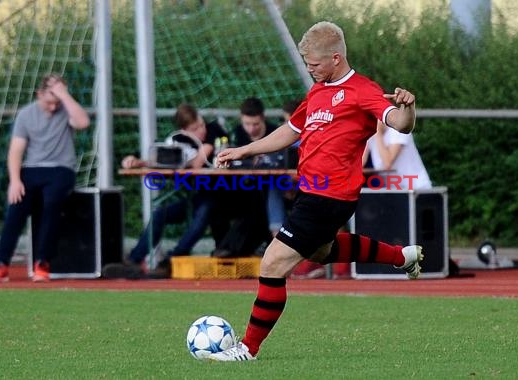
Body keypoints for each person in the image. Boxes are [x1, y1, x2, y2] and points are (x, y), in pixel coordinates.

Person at [208, 21, 422, 361]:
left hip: (332, 196)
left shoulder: (363, 90)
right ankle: (402, 256)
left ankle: (247, 349)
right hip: (311, 192)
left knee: (273, 262)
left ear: (336, 58)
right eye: (306, 64)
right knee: (321, 252)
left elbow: (400, 123)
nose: (310, 70)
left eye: (314, 64)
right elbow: (291, 131)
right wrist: (245, 151)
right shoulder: (317, 91)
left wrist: (408, 107)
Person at [101, 103, 228, 279]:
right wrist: (137, 161)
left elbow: (199, 162)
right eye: (195, 128)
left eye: (201, 124)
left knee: (204, 211)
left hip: (225, 196)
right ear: (184, 131)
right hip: (198, 196)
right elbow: (161, 159)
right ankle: (134, 260)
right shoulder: (178, 142)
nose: (201, 130)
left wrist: (206, 149)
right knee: (161, 213)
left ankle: (170, 261)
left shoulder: (215, 131)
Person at [0, 74, 90, 282]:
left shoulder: (66, 109)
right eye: (49, 101)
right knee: (16, 207)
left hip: (61, 169)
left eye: (57, 102)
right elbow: (16, 151)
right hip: (31, 170)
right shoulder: (26, 115)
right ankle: (1, 263)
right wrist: (15, 180)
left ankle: (42, 262)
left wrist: (64, 95)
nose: (53, 107)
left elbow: (83, 122)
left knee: (52, 203)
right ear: (39, 94)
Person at [211, 97, 283, 258]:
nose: (251, 129)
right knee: (214, 201)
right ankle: (224, 247)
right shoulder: (237, 133)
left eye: (255, 124)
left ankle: (231, 249)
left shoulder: (276, 133)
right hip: (241, 187)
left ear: (263, 118)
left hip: (270, 186)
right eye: (247, 124)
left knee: (257, 202)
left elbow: (279, 162)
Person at [362, 119, 432, 190]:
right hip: (395, 190)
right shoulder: (370, 132)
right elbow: (360, 163)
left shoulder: (399, 129)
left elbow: (387, 163)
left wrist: (378, 134)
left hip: (417, 188)